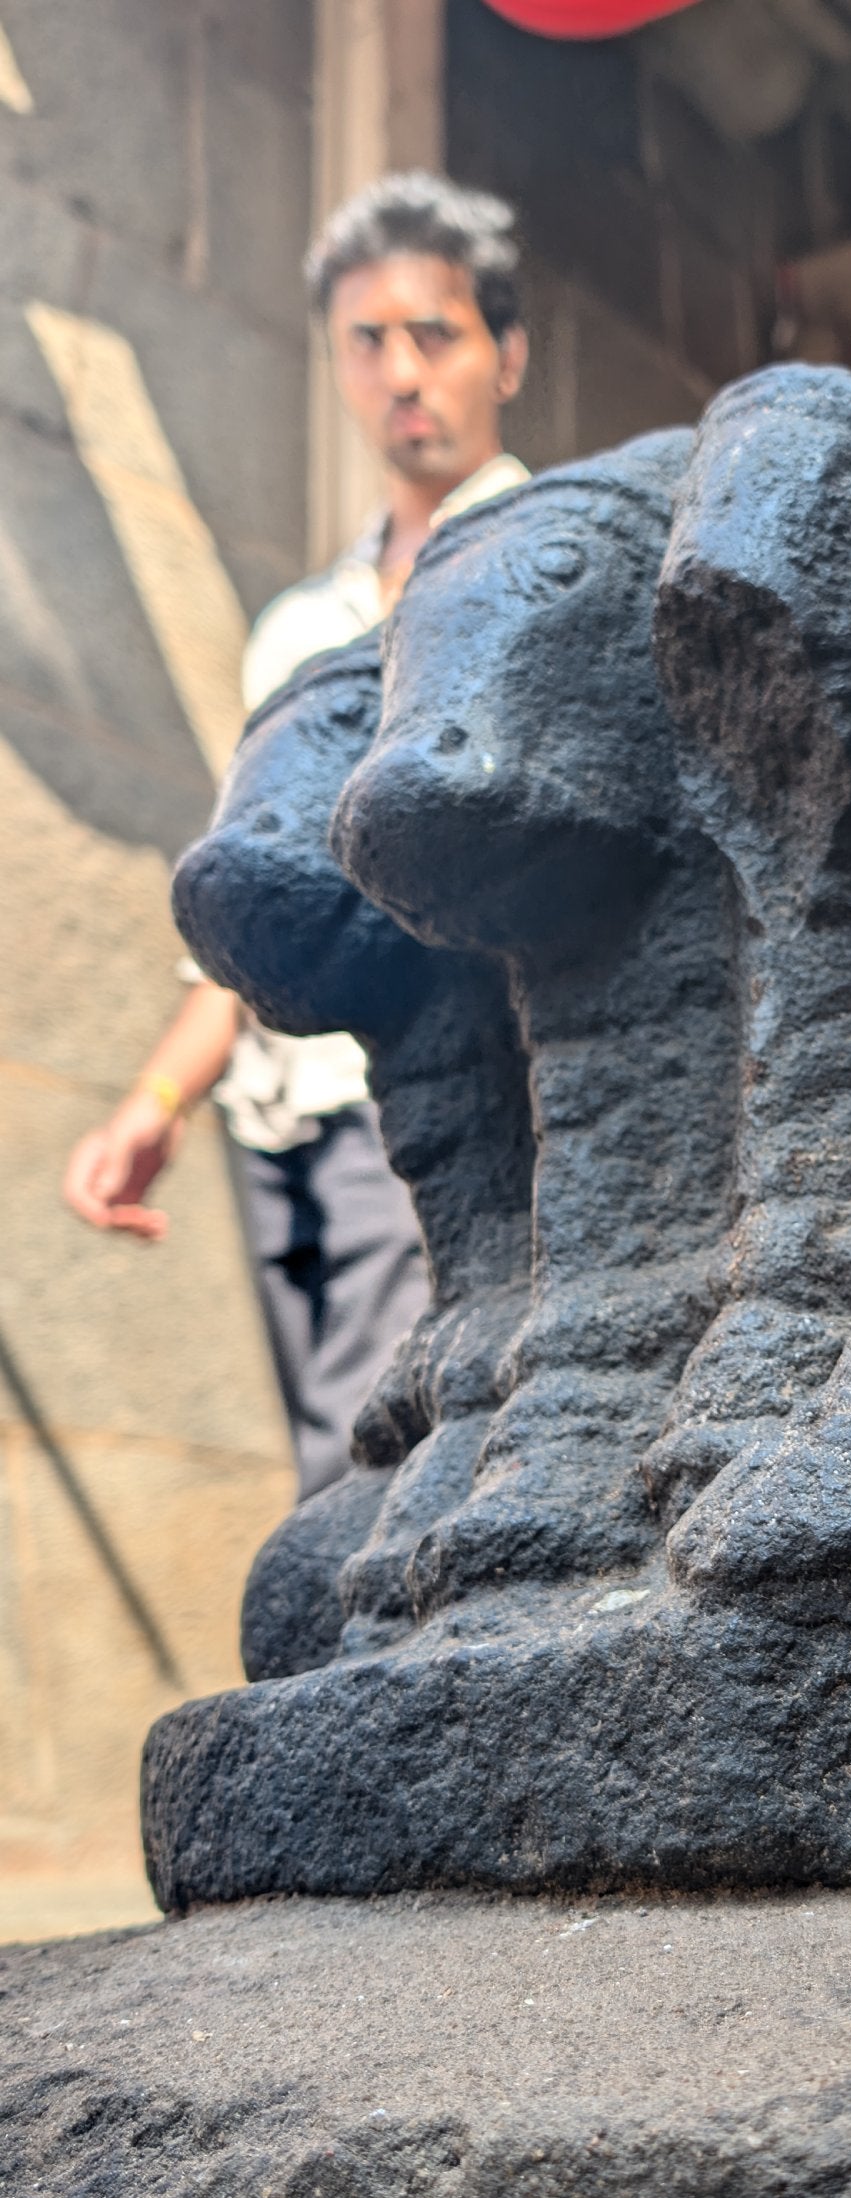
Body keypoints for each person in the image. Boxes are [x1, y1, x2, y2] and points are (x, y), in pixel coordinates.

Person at [62, 174, 533, 1501]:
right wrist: (154, 1105)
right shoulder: (293, 630)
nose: (401, 373)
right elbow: (248, 906)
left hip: (460, 1088)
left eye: (433, 335)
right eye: (367, 341)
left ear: (505, 352)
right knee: (334, 1478)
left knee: (402, 1465)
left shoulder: (559, 562)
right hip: (286, 1126)